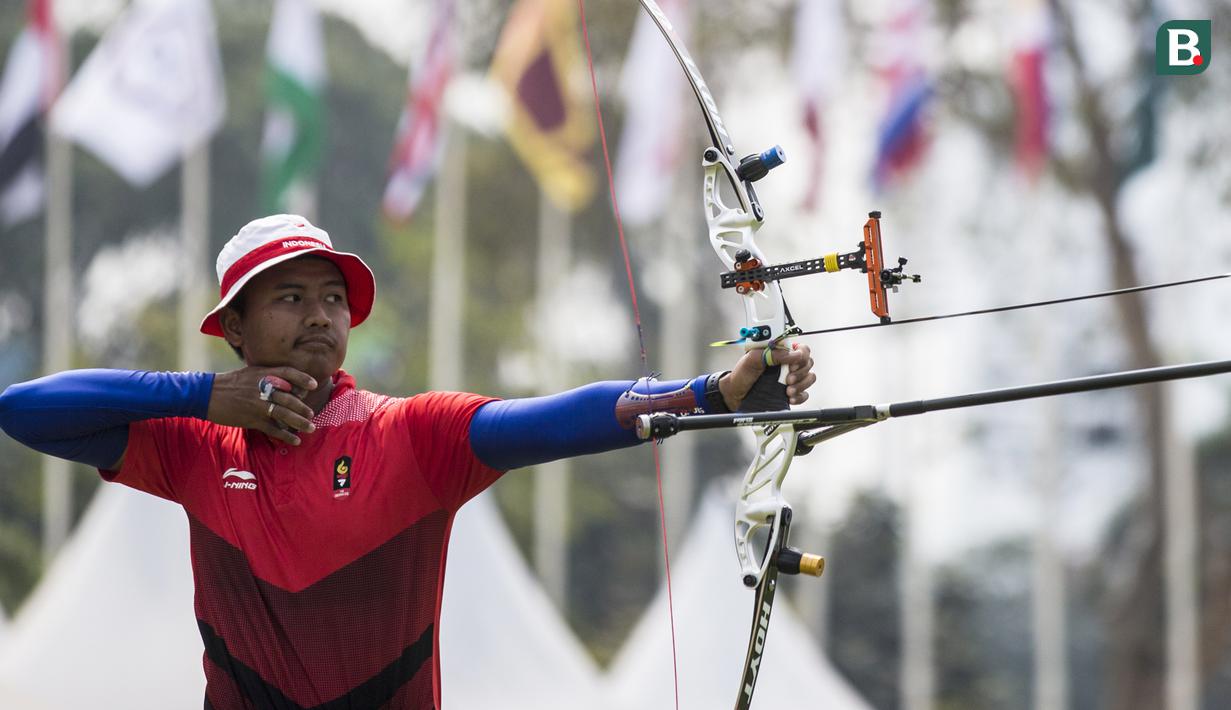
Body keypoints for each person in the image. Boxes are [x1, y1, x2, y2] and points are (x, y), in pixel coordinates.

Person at [0, 214, 816, 709]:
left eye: (332, 299)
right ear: (236, 330)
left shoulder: (409, 437)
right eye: (290, 298)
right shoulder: (189, 445)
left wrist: (707, 393)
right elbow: (23, 410)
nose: (320, 315)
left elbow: (554, 420)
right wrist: (200, 395)